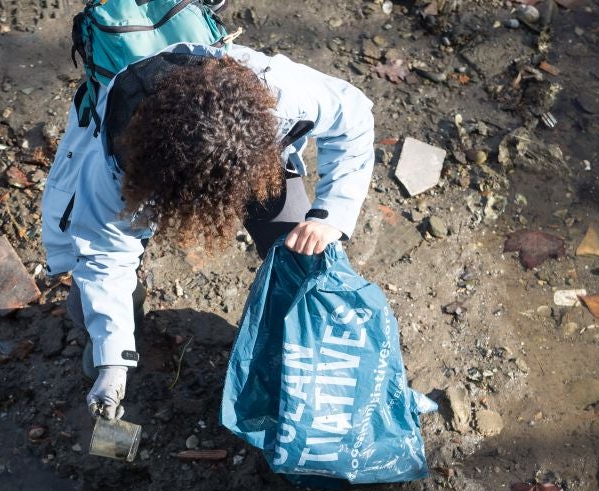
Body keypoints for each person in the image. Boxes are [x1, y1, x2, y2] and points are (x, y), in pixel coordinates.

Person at [41, 41, 375, 421]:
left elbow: (355, 117)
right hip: (168, 169)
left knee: (303, 257)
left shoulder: (282, 95)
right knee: (92, 299)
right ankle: (119, 329)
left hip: (252, 156)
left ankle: (301, 348)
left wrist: (329, 217)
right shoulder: (114, 167)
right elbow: (105, 260)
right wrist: (112, 362)